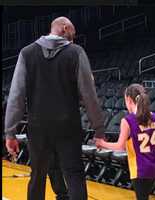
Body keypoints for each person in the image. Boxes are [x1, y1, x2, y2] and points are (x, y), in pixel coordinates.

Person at [5, 16, 105, 200]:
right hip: (68, 126)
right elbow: (89, 95)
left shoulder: (26, 53)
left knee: (37, 176)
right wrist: (98, 129)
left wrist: (10, 133)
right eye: (72, 33)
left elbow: (16, 96)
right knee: (74, 175)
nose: (73, 39)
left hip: (38, 127)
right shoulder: (76, 52)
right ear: (65, 28)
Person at [96, 83, 155, 200]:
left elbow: (120, 146)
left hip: (139, 169)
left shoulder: (127, 120)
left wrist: (102, 144)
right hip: (154, 168)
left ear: (128, 99)